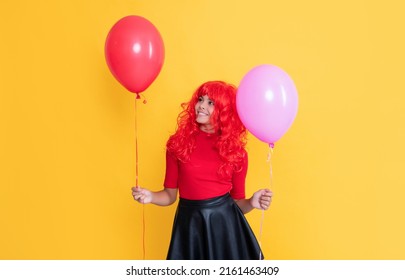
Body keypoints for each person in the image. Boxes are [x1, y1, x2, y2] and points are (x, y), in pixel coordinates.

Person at [132, 81, 273, 260]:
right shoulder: (178, 144)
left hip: (225, 227)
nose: (201, 106)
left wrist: (252, 202)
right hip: (189, 225)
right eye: (200, 99)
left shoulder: (237, 153)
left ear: (224, 111)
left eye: (210, 102)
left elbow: (237, 204)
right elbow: (169, 196)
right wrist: (150, 196)